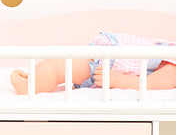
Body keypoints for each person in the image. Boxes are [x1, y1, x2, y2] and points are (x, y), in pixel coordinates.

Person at [10, 30, 176, 94]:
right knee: (59, 66)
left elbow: (155, 83)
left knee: (57, 67)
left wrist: (118, 80)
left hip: (111, 64)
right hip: (111, 55)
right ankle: (36, 79)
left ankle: (30, 86)